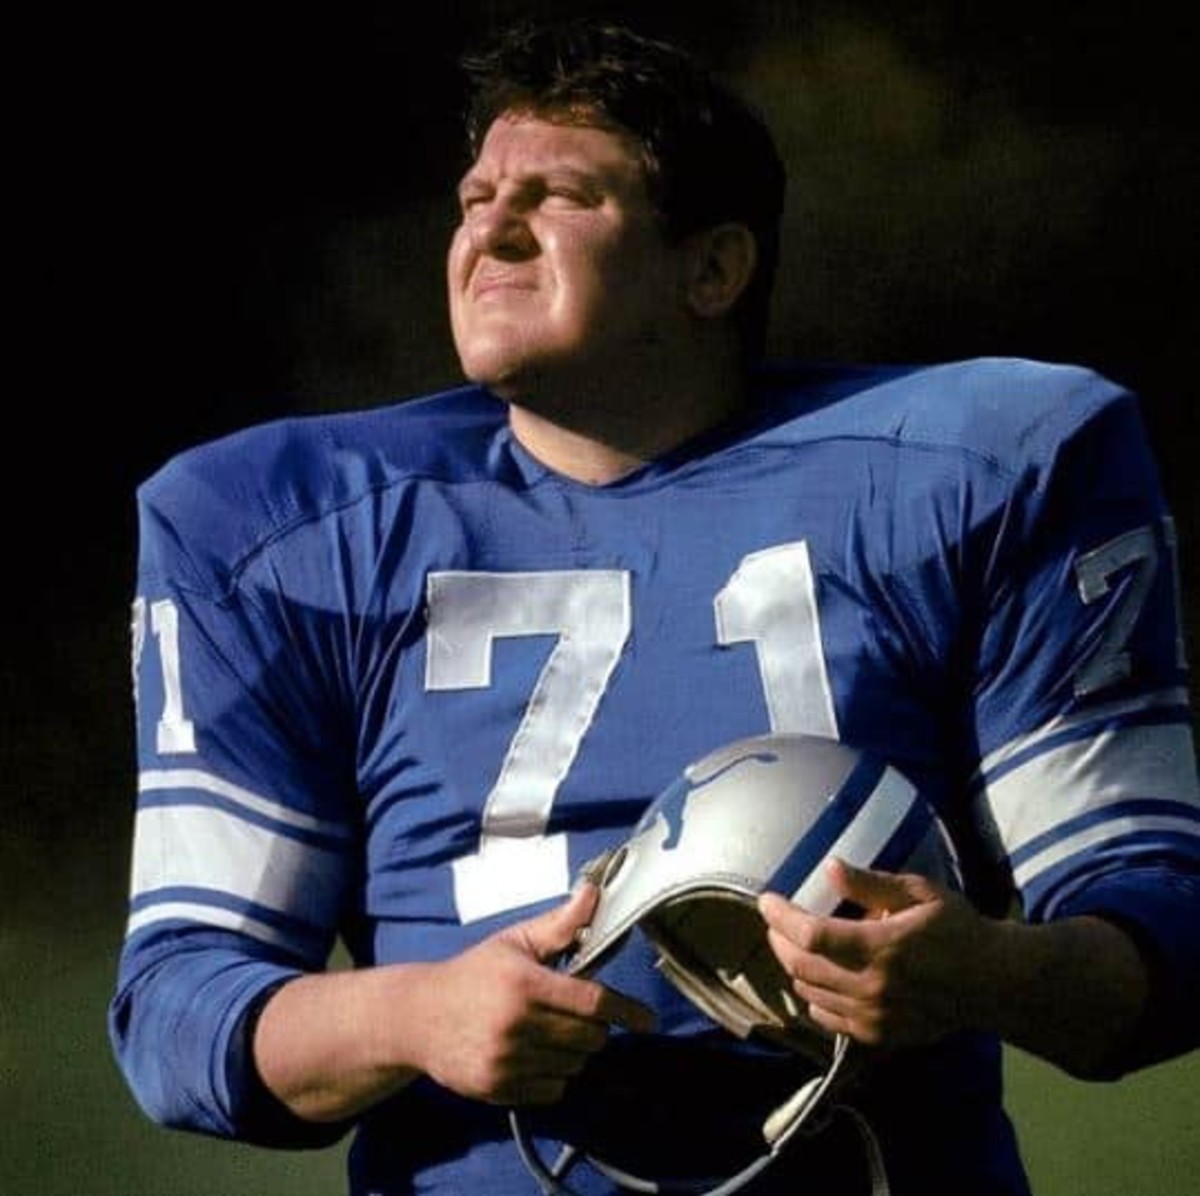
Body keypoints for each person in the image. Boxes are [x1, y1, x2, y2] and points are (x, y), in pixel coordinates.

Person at [109, 16, 1200, 1196]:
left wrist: (984, 972)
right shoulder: (281, 532)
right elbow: (177, 1011)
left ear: (713, 268)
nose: (490, 227)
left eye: (560, 193)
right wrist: (415, 1014)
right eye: (475, 197)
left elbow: (1163, 924)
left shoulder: (976, 476)